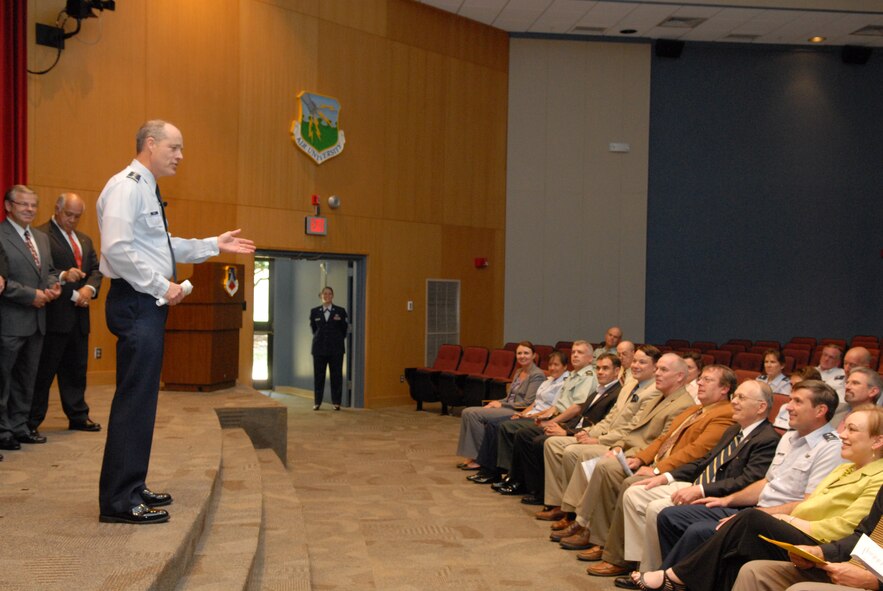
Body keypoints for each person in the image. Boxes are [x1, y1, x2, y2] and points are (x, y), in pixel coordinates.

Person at [97, 120, 255, 524]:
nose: (180, 156)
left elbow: (160, 245)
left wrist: (211, 245)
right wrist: (160, 285)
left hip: (145, 300)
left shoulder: (146, 187)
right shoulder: (127, 186)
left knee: (144, 400)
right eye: (174, 147)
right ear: (151, 144)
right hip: (137, 300)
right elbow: (116, 250)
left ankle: (132, 486)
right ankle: (118, 501)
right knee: (134, 400)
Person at [631, 406, 883, 591]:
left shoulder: (878, 477)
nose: (842, 434)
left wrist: (787, 521)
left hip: (821, 539)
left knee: (749, 519)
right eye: (844, 427)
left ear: (877, 441)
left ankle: (676, 577)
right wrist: (781, 517)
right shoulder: (845, 468)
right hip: (800, 530)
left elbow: (848, 527)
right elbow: (806, 504)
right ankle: (676, 579)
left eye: (852, 429)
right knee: (736, 549)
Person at [655, 380, 844, 570]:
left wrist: (752, 515)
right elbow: (766, 482)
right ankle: (675, 578)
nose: (788, 406)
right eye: (791, 400)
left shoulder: (830, 447)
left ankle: (669, 579)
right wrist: (727, 501)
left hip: (778, 522)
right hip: (757, 510)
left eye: (798, 402)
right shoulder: (789, 437)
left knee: (699, 531)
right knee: (671, 516)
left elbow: (808, 505)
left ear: (820, 410)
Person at [579, 365, 736, 577]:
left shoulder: (724, 414)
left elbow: (696, 451)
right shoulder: (694, 410)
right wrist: (640, 458)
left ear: (725, 389)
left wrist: (657, 470)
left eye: (707, 380)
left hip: (681, 472)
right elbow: (663, 439)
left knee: (630, 484)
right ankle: (598, 536)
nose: (699, 382)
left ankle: (620, 557)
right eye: (701, 379)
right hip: (658, 463)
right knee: (610, 469)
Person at [615, 380, 779, 577]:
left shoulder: (767, 439)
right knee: (636, 493)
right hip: (699, 485)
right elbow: (704, 462)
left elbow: (746, 481)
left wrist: (701, 490)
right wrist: (665, 476)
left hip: (722, 496)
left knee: (657, 508)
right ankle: (637, 563)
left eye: (741, 398)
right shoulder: (734, 430)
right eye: (734, 396)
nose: (734, 402)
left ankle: (655, 571)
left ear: (761, 407)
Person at [544, 352, 695, 541]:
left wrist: (624, 452)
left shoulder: (682, 404)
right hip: (627, 446)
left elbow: (660, 443)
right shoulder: (660, 395)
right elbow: (631, 428)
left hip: (645, 458)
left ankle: (586, 527)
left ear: (680, 376)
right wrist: (617, 446)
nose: (657, 373)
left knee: (602, 464)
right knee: (592, 458)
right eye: (657, 369)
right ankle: (578, 518)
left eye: (663, 370)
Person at [538, 345, 663, 524]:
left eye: (642, 362)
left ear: (654, 367)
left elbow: (630, 429)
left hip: (619, 443)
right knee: (552, 444)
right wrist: (586, 432)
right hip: (606, 434)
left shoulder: (653, 392)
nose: (635, 365)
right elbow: (610, 419)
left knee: (575, 452)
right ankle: (557, 503)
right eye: (634, 361)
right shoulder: (628, 387)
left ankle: (574, 514)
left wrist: (597, 439)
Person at [496, 353, 621, 501]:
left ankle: (541, 492)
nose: (600, 372)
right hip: (572, 426)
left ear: (617, 371)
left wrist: (566, 432)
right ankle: (522, 482)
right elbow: (579, 417)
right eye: (598, 368)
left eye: (605, 368)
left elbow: (600, 424)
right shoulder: (598, 390)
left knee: (540, 441)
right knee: (524, 434)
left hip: (584, 434)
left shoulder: (617, 393)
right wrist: (559, 425)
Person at [467, 342, 596, 484]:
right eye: (573, 352)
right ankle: (492, 470)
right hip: (548, 415)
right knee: (496, 425)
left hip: (565, 422)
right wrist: (536, 415)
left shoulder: (587, 376)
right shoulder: (572, 376)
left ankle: (509, 474)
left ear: (591, 358)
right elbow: (554, 405)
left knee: (510, 429)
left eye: (580, 352)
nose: (575, 355)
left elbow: (576, 407)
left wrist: (550, 421)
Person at [30, 193, 103, 434]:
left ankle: (78, 415)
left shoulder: (85, 239)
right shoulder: (41, 235)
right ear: (57, 209)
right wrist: (69, 284)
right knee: (44, 372)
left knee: (76, 370)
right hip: (54, 316)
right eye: (68, 214)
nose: (72, 220)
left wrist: (89, 289)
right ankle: (31, 421)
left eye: (77, 216)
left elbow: (95, 270)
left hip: (80, 317)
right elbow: (43, 272)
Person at [0, 185, 61, 451]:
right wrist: (32, 295)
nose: (29, 210)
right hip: (10, 320)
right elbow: (3, 282)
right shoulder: (0, 235)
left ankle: (20, 426)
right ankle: (2, 431)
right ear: (8, 206)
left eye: (33, 205)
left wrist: (52, 286)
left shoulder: (41, 238)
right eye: (23, 204)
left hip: (38, 320)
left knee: (28, 378)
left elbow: (47, 271)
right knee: (4, 379)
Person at [732, 486, 883, 591]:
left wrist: (875, 581)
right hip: (862, 568)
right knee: (755, 571)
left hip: (876, 580)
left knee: (801, 589)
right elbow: (863, 535)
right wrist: (819, 551)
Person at [456, 341, 546, 471]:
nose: (522, 356)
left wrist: (501, 404)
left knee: (472, 413)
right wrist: (495, 403)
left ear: (534, 356)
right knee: (467, 412)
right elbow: (510, 396)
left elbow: (528, 402)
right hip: (507, 406)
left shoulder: (537, 374)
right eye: (519, 353)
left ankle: (481, 457)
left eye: (526, 353)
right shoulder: (519, 371)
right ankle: (474, 455)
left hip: (516, 410)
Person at [310, 286, 349, 410]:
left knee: (336, 376)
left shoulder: (340, 311)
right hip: (319, 349)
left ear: (333, 296)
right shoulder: (315, 311)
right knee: (319, 376)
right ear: (321, 296)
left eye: (329, 294)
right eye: (324, 294)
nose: (327, 296)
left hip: (336, 349)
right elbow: (314, 329)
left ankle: (336, 402)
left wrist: (335, 339)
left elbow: (344, 330)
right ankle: (317, 402)